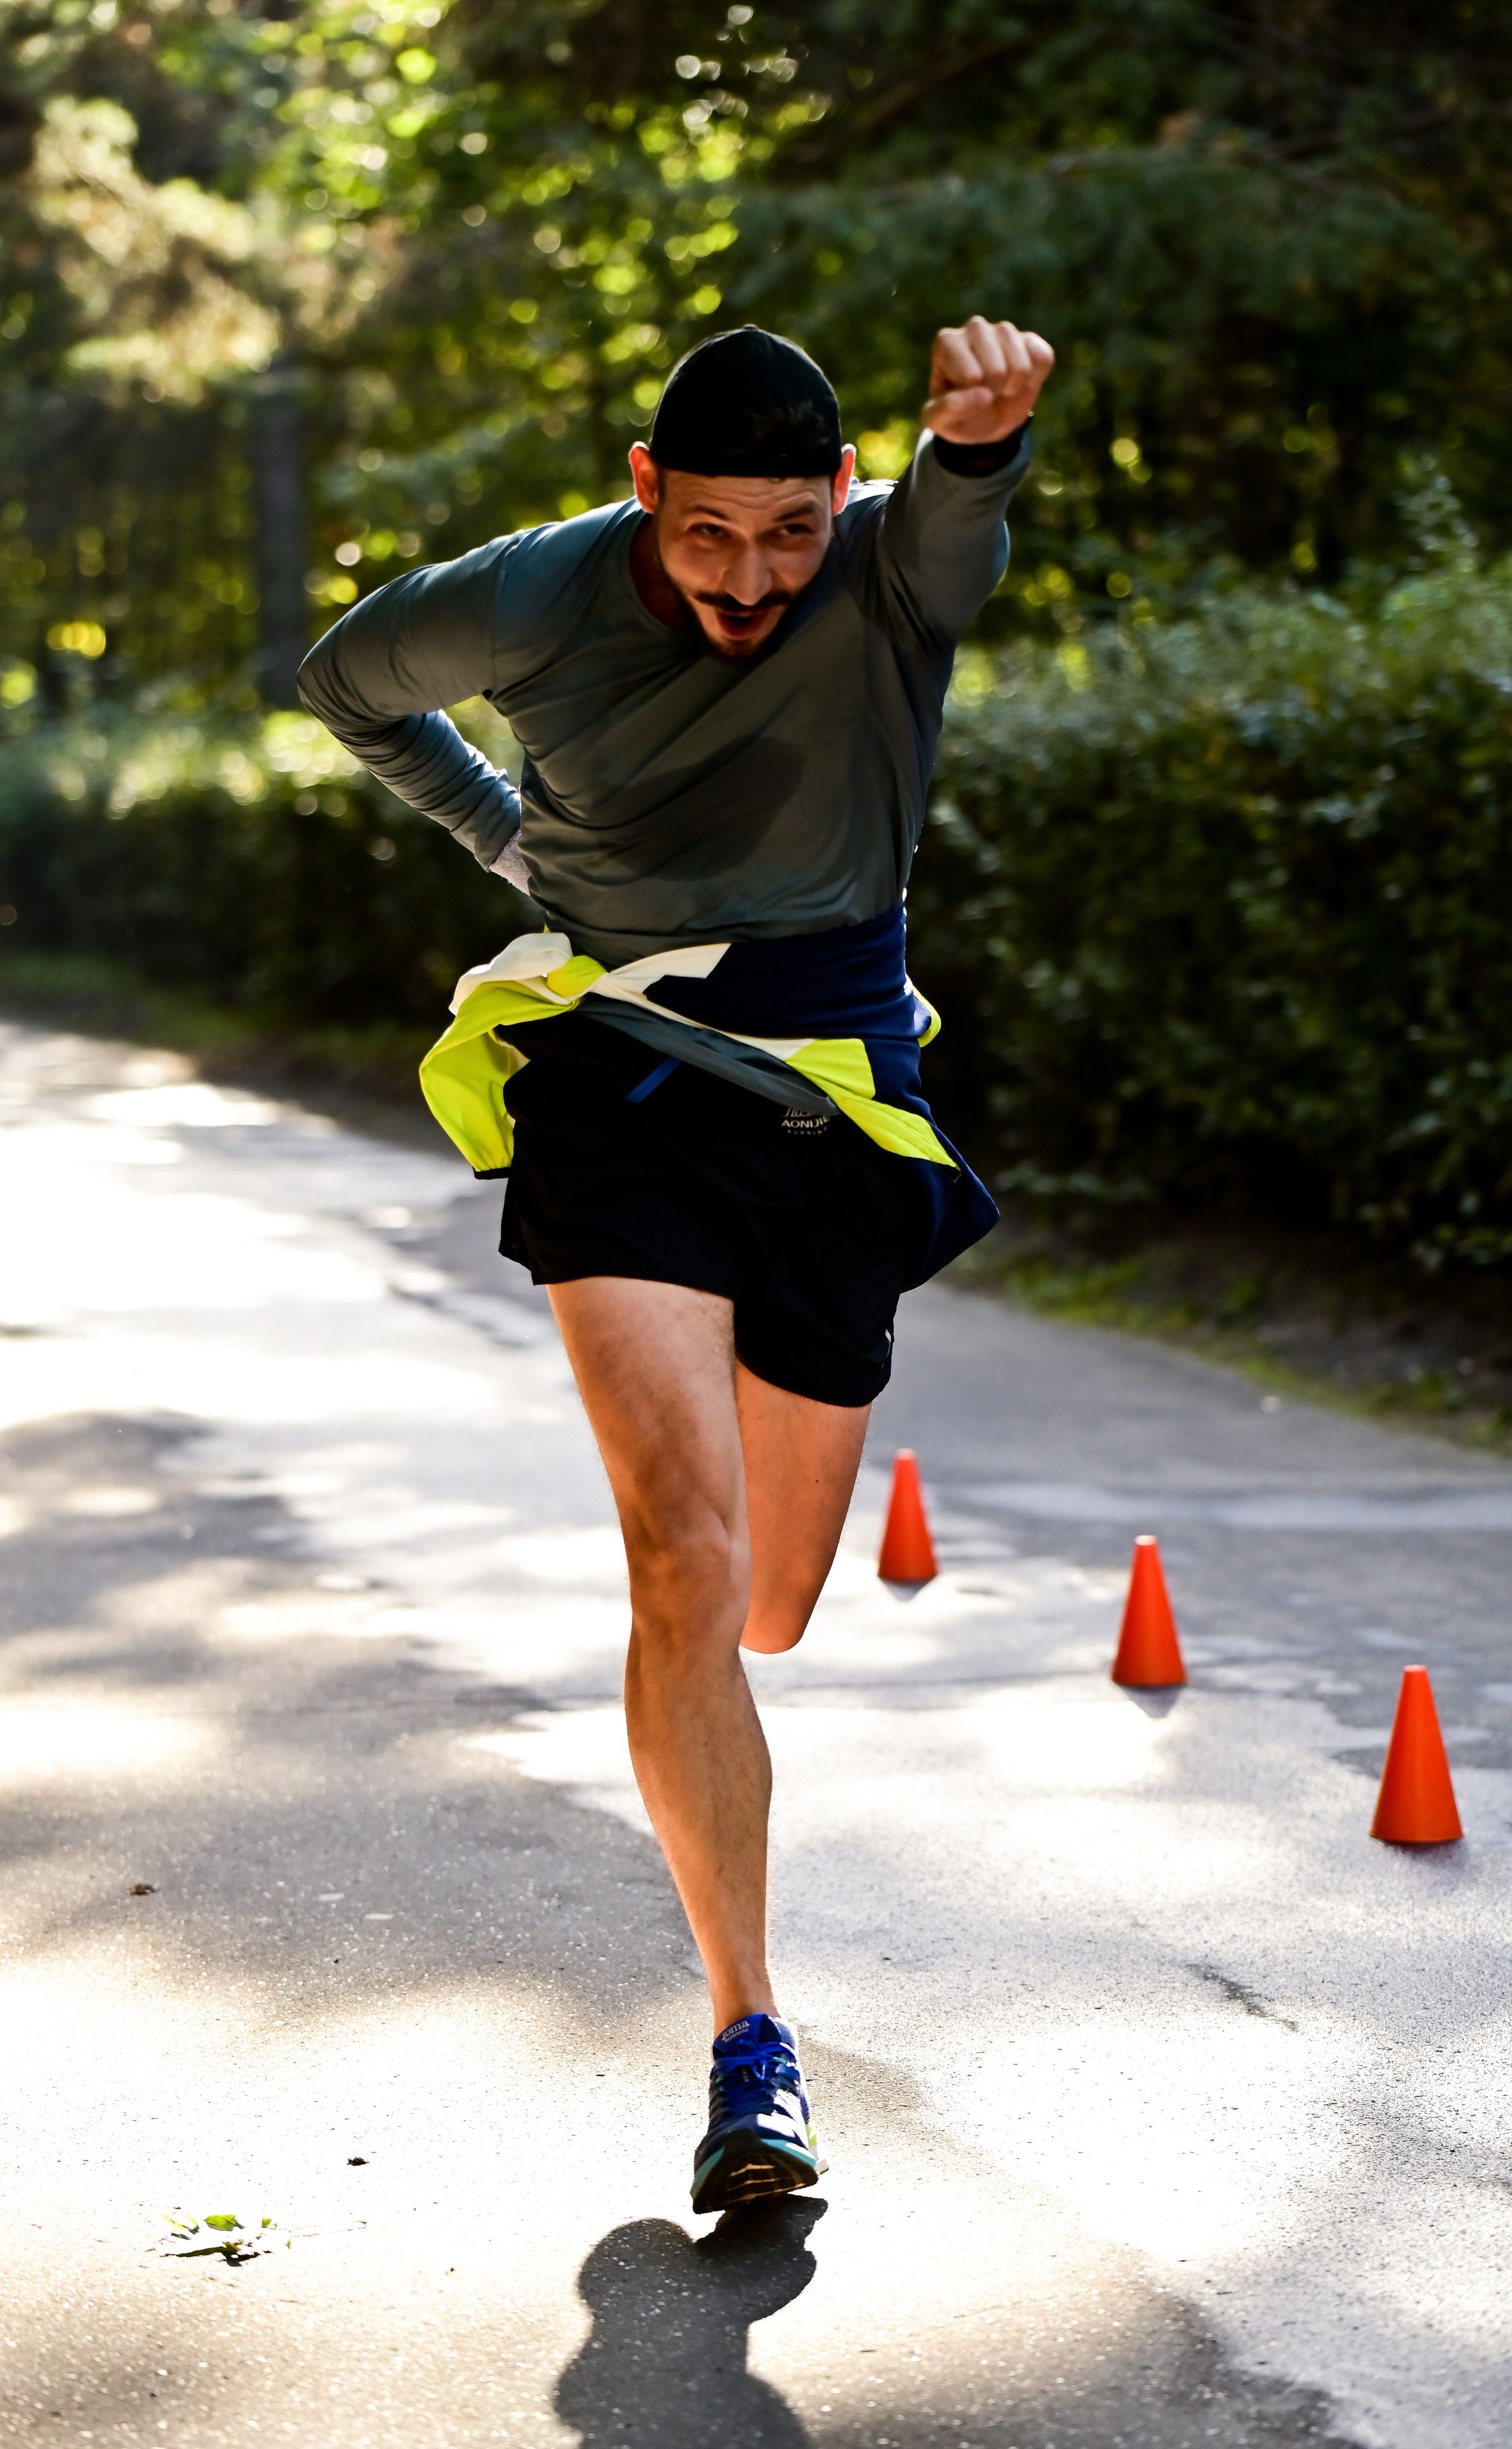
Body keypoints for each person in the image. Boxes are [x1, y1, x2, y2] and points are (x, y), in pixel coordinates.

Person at [299, 314, 1053, 2215]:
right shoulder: (543, 592)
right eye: (710, 534)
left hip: (831, 1098)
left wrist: (977, 449)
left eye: (789, 532)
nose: (750, 577)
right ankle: (750, 2045)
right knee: (683, 1556)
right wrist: (508, 848)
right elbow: (349, 679)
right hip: (614, 1072)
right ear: (644, 491)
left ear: (839, 503)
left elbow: (957, 539)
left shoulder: (887, 573)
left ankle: (721, 1704)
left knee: (774, 1603)